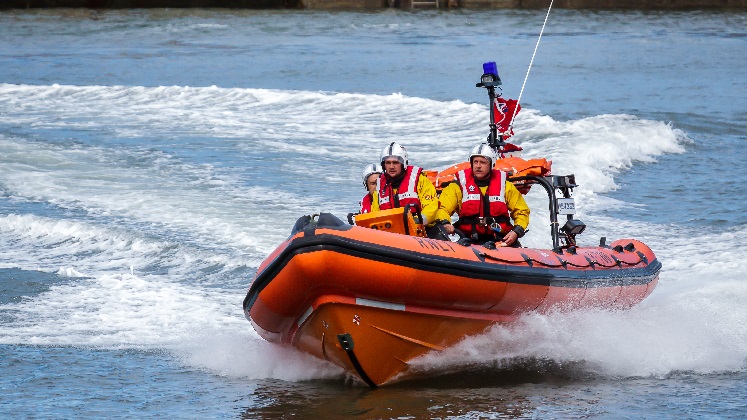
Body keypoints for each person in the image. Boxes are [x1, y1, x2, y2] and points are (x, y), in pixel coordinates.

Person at [436, 143, 530, 247]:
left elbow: (522, 211)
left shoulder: (505, 186)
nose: (478, 166)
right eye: (475, 162)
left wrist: (516, 231)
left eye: (483, 162)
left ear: (491, 164)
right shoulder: (458, 186)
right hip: (468, 241)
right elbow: (442, 208)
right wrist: (445, 223)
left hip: (500, 239)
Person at [371, 142, 439, 231]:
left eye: (395, 162)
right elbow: (375, 213)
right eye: (388, 163)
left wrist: (417, 221)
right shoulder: (380, 186)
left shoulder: (418, 179)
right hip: (392, 232)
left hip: (421, 230)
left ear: (403, 163)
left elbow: (431, 207)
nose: (391, 167)